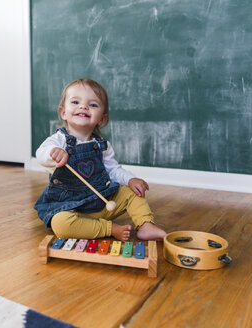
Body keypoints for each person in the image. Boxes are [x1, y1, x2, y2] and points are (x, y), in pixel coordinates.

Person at [34, 78, 166, 242]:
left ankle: (145, 225)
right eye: (75, 102)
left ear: (102, 119)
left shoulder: (102, 146)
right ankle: (109, 228)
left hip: (101, 203)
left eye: (93, 105)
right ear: (63, 112)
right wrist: (53, 153)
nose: (83, 106)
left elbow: (114, 170)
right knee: (60, 224)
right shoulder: (58, 140)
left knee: (132, 192)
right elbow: (41, 154)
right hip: (70, 208)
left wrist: (130, 179)